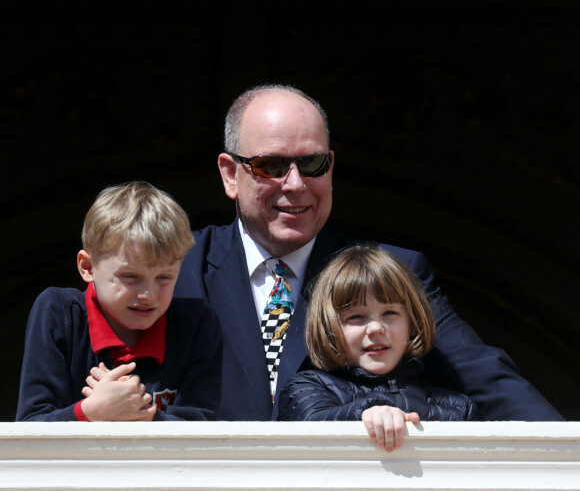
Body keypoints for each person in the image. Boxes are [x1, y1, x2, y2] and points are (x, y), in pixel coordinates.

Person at [173, 83, 563, 423]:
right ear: (229, 174)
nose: (295, 184)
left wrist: (565, 453)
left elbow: (484, 377)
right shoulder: (175, 267)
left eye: (312, 163)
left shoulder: (391, 272)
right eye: (271, 165)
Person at [16, 181, 222, 422]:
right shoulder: (59, 313)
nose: (148, 294)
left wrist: (137, 410)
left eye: (164, 277)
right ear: (88, 267)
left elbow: (200, 432)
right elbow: (30, 426)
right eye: (130, 277)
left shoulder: (196, 324)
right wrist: (91, 411)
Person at [278, 245, 479, 452]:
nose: (375, 328)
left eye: (390, 313)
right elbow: (310, 424)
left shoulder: (458, 407)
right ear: (329, 329)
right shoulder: (308, 388)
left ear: (413, 323)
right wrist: (367, 412)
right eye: (356, 317)